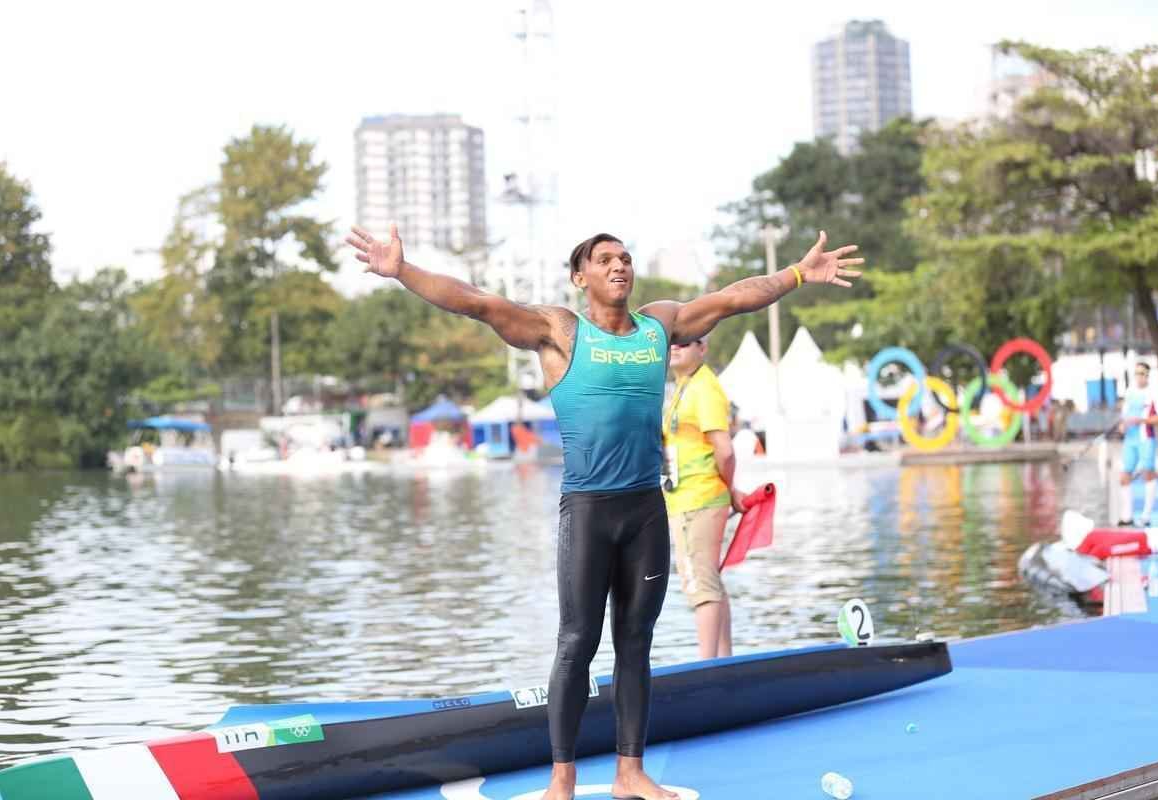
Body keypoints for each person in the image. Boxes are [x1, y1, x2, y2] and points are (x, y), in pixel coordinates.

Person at [346, 224, 862, 800]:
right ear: (580, 275)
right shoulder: (560, 332)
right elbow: (476, 303)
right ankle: (561, 781)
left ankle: (630, 774)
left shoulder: (658, 325)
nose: (619, 266)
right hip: (588, 511)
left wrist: (795, 274)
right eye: (605, 259)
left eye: (625, 257)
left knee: (636, 642)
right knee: (576, 642)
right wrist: (403, 269)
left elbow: (734, 297)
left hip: (645, 510)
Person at [662, 336, 745, 659]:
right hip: (690, 497)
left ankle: (707, 667)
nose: (676, 346)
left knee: (701, 585)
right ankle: (724, 662)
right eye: (672, 340)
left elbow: (725, 451)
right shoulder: (685, 385)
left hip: (697, 498)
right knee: (710, 581)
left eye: (685, 341)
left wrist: (729, 487)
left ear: (703, 347)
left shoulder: (703, 388)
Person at [1118, 362, 1158, 526]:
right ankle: (1126, 516)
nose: (1139, 376)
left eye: (1142, 373)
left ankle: (1146, 516)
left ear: (1148, 375)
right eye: (1137, 373)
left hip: (1146, 438)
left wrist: (1142, 420)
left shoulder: (1154, 393)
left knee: (1148, 474)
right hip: (1130, 440)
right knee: (1124, 476)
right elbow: (1124, 416)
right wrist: (1122, 426)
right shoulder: (1129, 392)